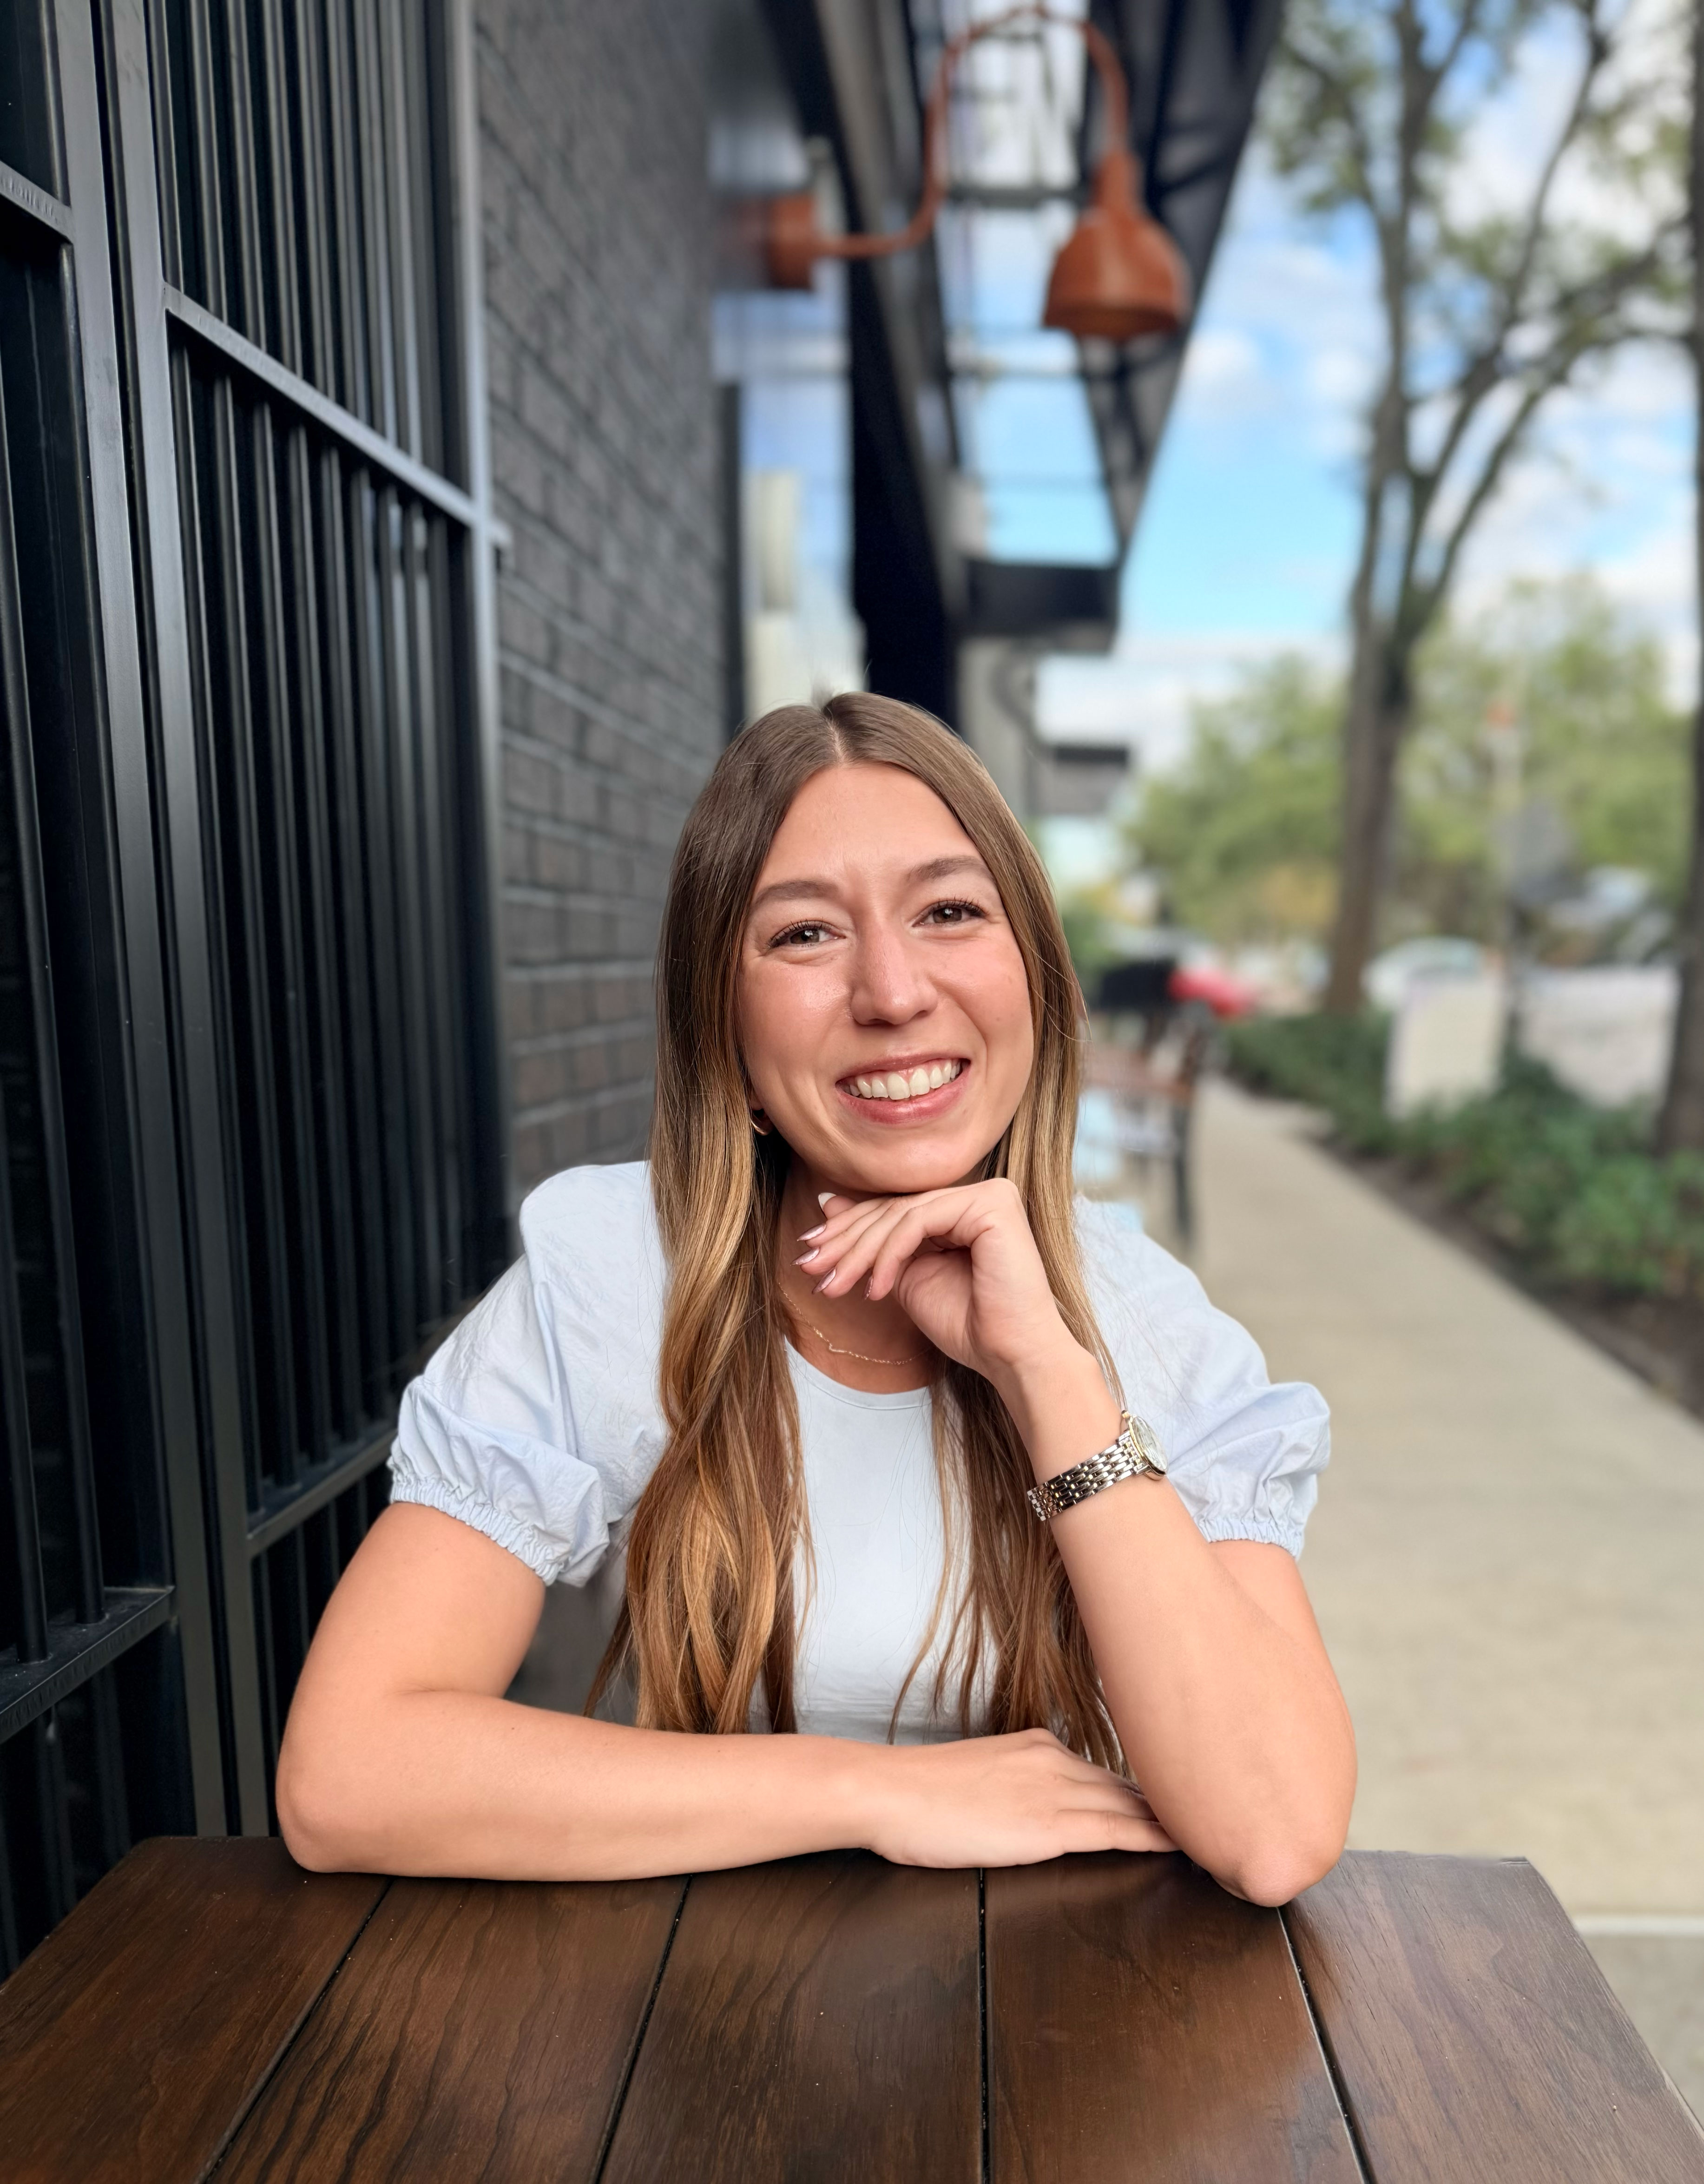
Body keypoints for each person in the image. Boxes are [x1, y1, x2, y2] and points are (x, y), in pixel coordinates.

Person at [277, 694, 1355, 1903]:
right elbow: (348, 1773)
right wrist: (875, 1790)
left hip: (1081, 2019)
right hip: (709, 2016)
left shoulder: (1142, 1316)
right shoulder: (627, 1270)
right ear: (724, 1035)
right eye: (802, 935)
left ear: (1034, 977)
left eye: (949, 910)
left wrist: (1048, 1372)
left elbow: (1272, 1831)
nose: (891, 990)